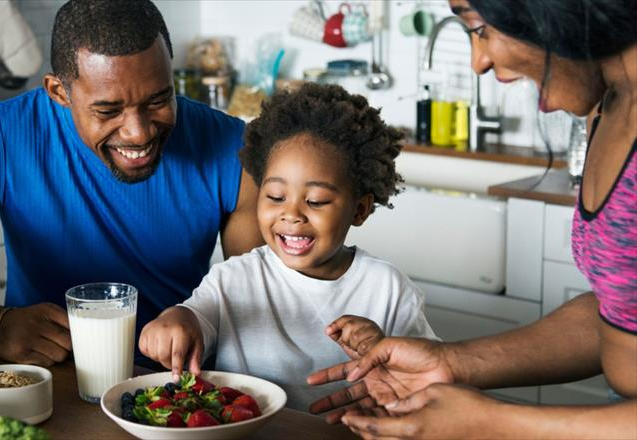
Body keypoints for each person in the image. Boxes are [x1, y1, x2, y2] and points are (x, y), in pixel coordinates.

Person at [0, 0, 262, 367]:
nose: (138, 133)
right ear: (58, 92)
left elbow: (263, 301)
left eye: (158, 100)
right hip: (48, 383)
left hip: (174, 393)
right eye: (108, 109)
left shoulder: (233, 149)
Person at [307, 0, 637, 438]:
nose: (478, 61)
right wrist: (451, 363)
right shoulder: (611, 104)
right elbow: (619, 309)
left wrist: (490, 422)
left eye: (479, 28)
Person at [138, 83, 438, 411]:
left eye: (316, 201)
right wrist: (176, 320)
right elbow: (196, 317)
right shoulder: (234, 277)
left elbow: (431, 382)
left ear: (360, 210)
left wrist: (383, 350)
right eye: (276, 197)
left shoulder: (389, 290)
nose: (291, 214)